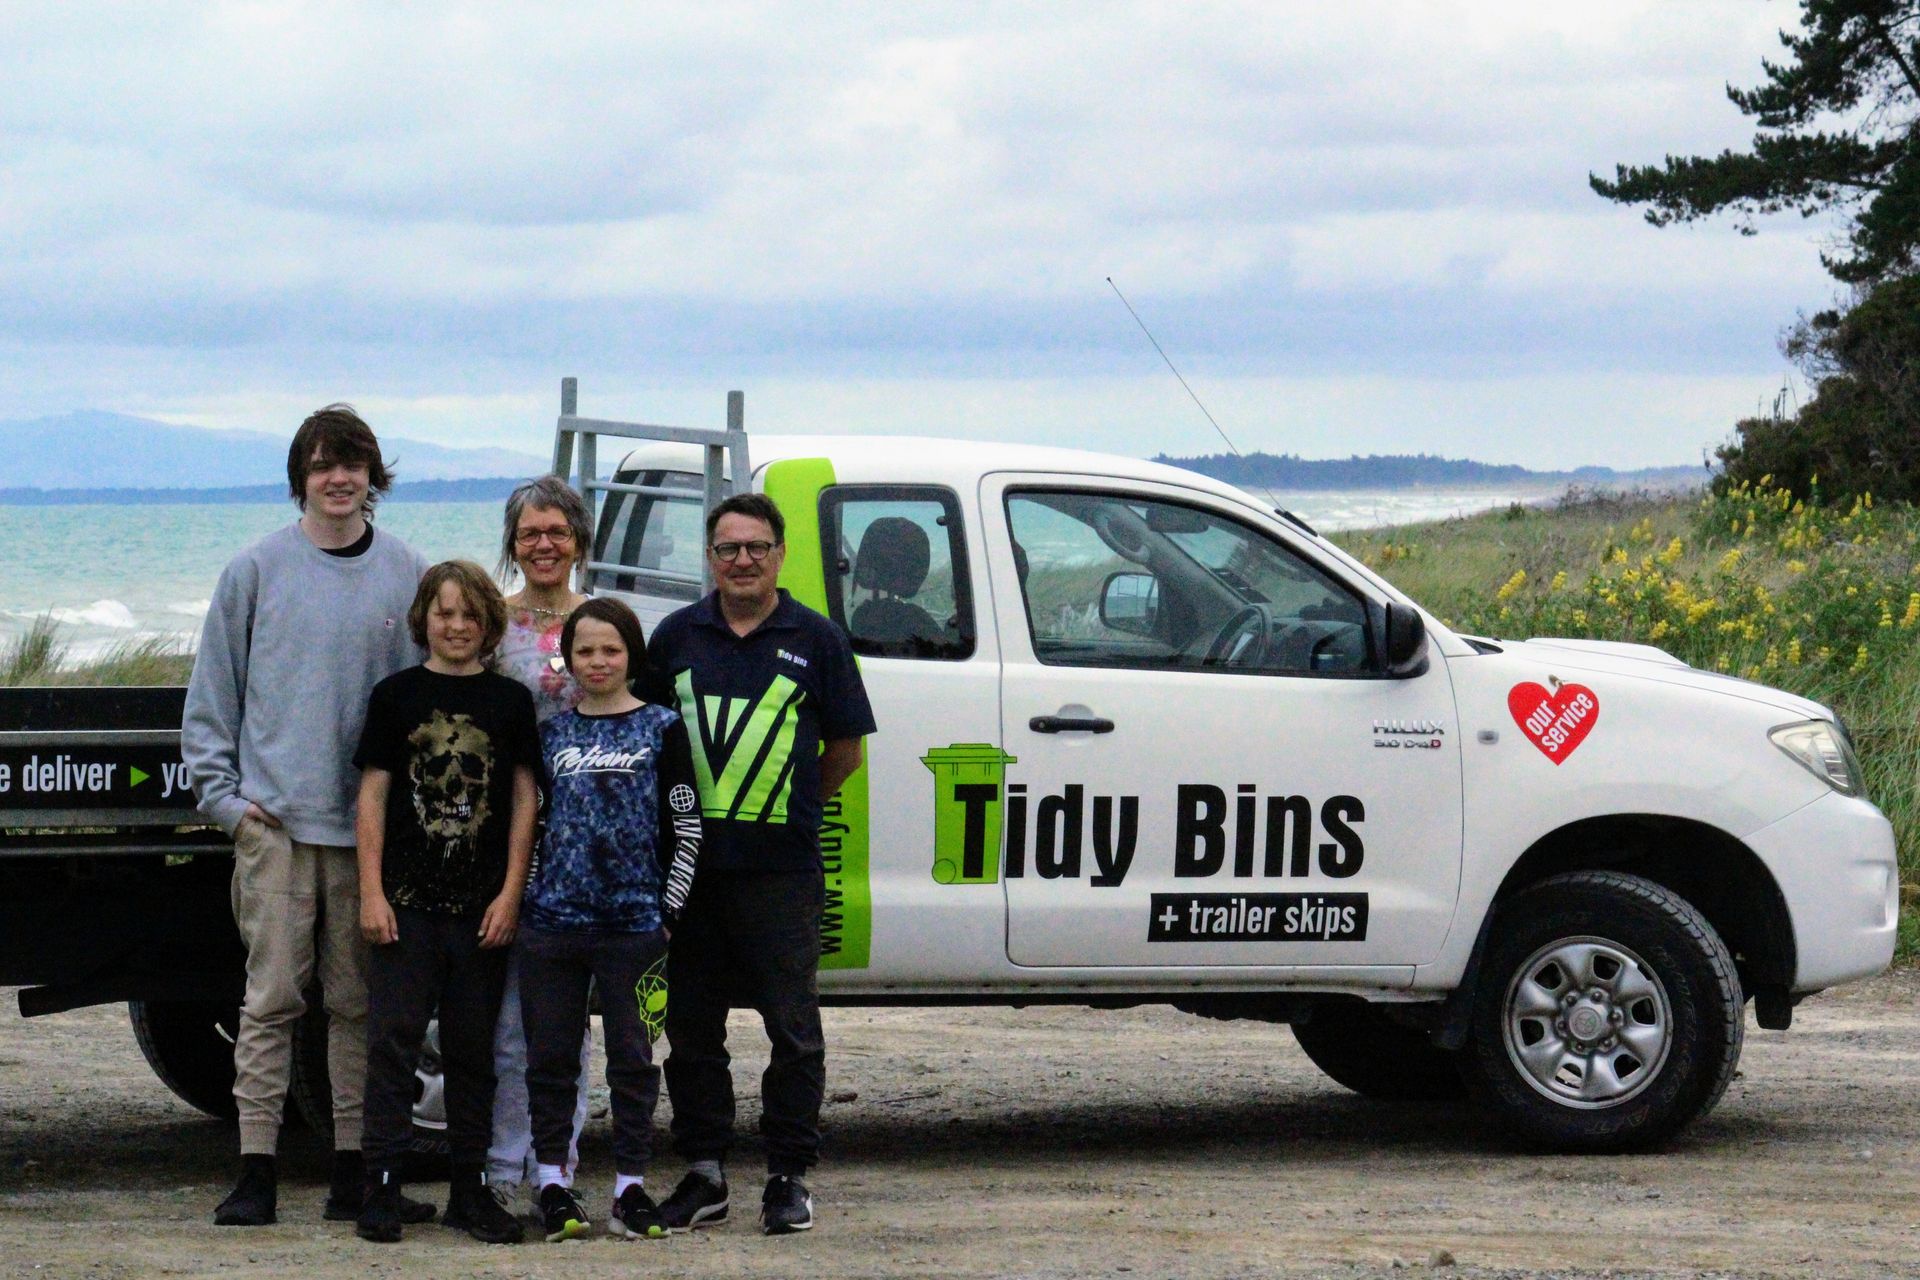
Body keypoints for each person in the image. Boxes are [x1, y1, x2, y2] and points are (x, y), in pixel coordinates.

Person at [181, 404, 432, 1226]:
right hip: (277, 829)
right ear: (302, 478)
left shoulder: (407, 573)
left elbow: (432, 694)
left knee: (359, 1004)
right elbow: (212, 700)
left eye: (352, 463)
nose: (338, 478)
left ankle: (352, 1170)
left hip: (368, 833)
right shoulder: (255, 570)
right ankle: (256, 1169)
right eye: (322, 464)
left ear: (372, 476)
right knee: (271, 1001)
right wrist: (227, 806)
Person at [648, 493, 876, 1236]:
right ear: (708, 558)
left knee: (793, 1028)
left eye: (756, 547)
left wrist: (792, 806)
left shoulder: (817, 639)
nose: (742, 560)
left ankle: (787, 1176)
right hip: (690, 874)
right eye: (726, 549)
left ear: (780, 553)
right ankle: (705, 1172)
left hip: (781, 871)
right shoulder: (676, 636)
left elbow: (843, 750)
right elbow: (648, 740)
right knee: (690, 1029)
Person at [351, 561, 540, 1244]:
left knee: (471, 1053)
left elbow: (524, 798)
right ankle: (381, 1188)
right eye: (444, 613)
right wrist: (372, 893)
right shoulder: (396, 696)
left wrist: (511, 893)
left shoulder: (510, 703)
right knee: (393, 1045)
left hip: (481, 911)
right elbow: (371, 796)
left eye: (470, 615)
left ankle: (470, 1191)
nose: (456, 626)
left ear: (489, 624)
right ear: (424, 619)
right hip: (405, 905)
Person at [518, 598, 702, 1242]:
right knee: (550, 1060)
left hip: (636, 929)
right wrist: (531, 899)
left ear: (631, 656)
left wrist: (668, 910)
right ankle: (552, 1183)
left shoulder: (661, 727)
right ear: (567, 659)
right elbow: (532, 826)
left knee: (634, 1057)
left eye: (611, 650)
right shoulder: (552, 734)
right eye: (585, 651)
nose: (597, 662)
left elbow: (686, 824)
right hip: (552, 928)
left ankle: (629, 1186)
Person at [483, 476, 597, 1217]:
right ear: (513, 544)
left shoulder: (604, 621)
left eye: (557, 531)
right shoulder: (493, 625)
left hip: (587, 838)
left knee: (569, 1022)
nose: (544, 545)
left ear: (579, 540)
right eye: (530, 534)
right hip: (505, 831)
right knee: (507, 1022)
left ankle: (558, 1167)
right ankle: (499, 1166)